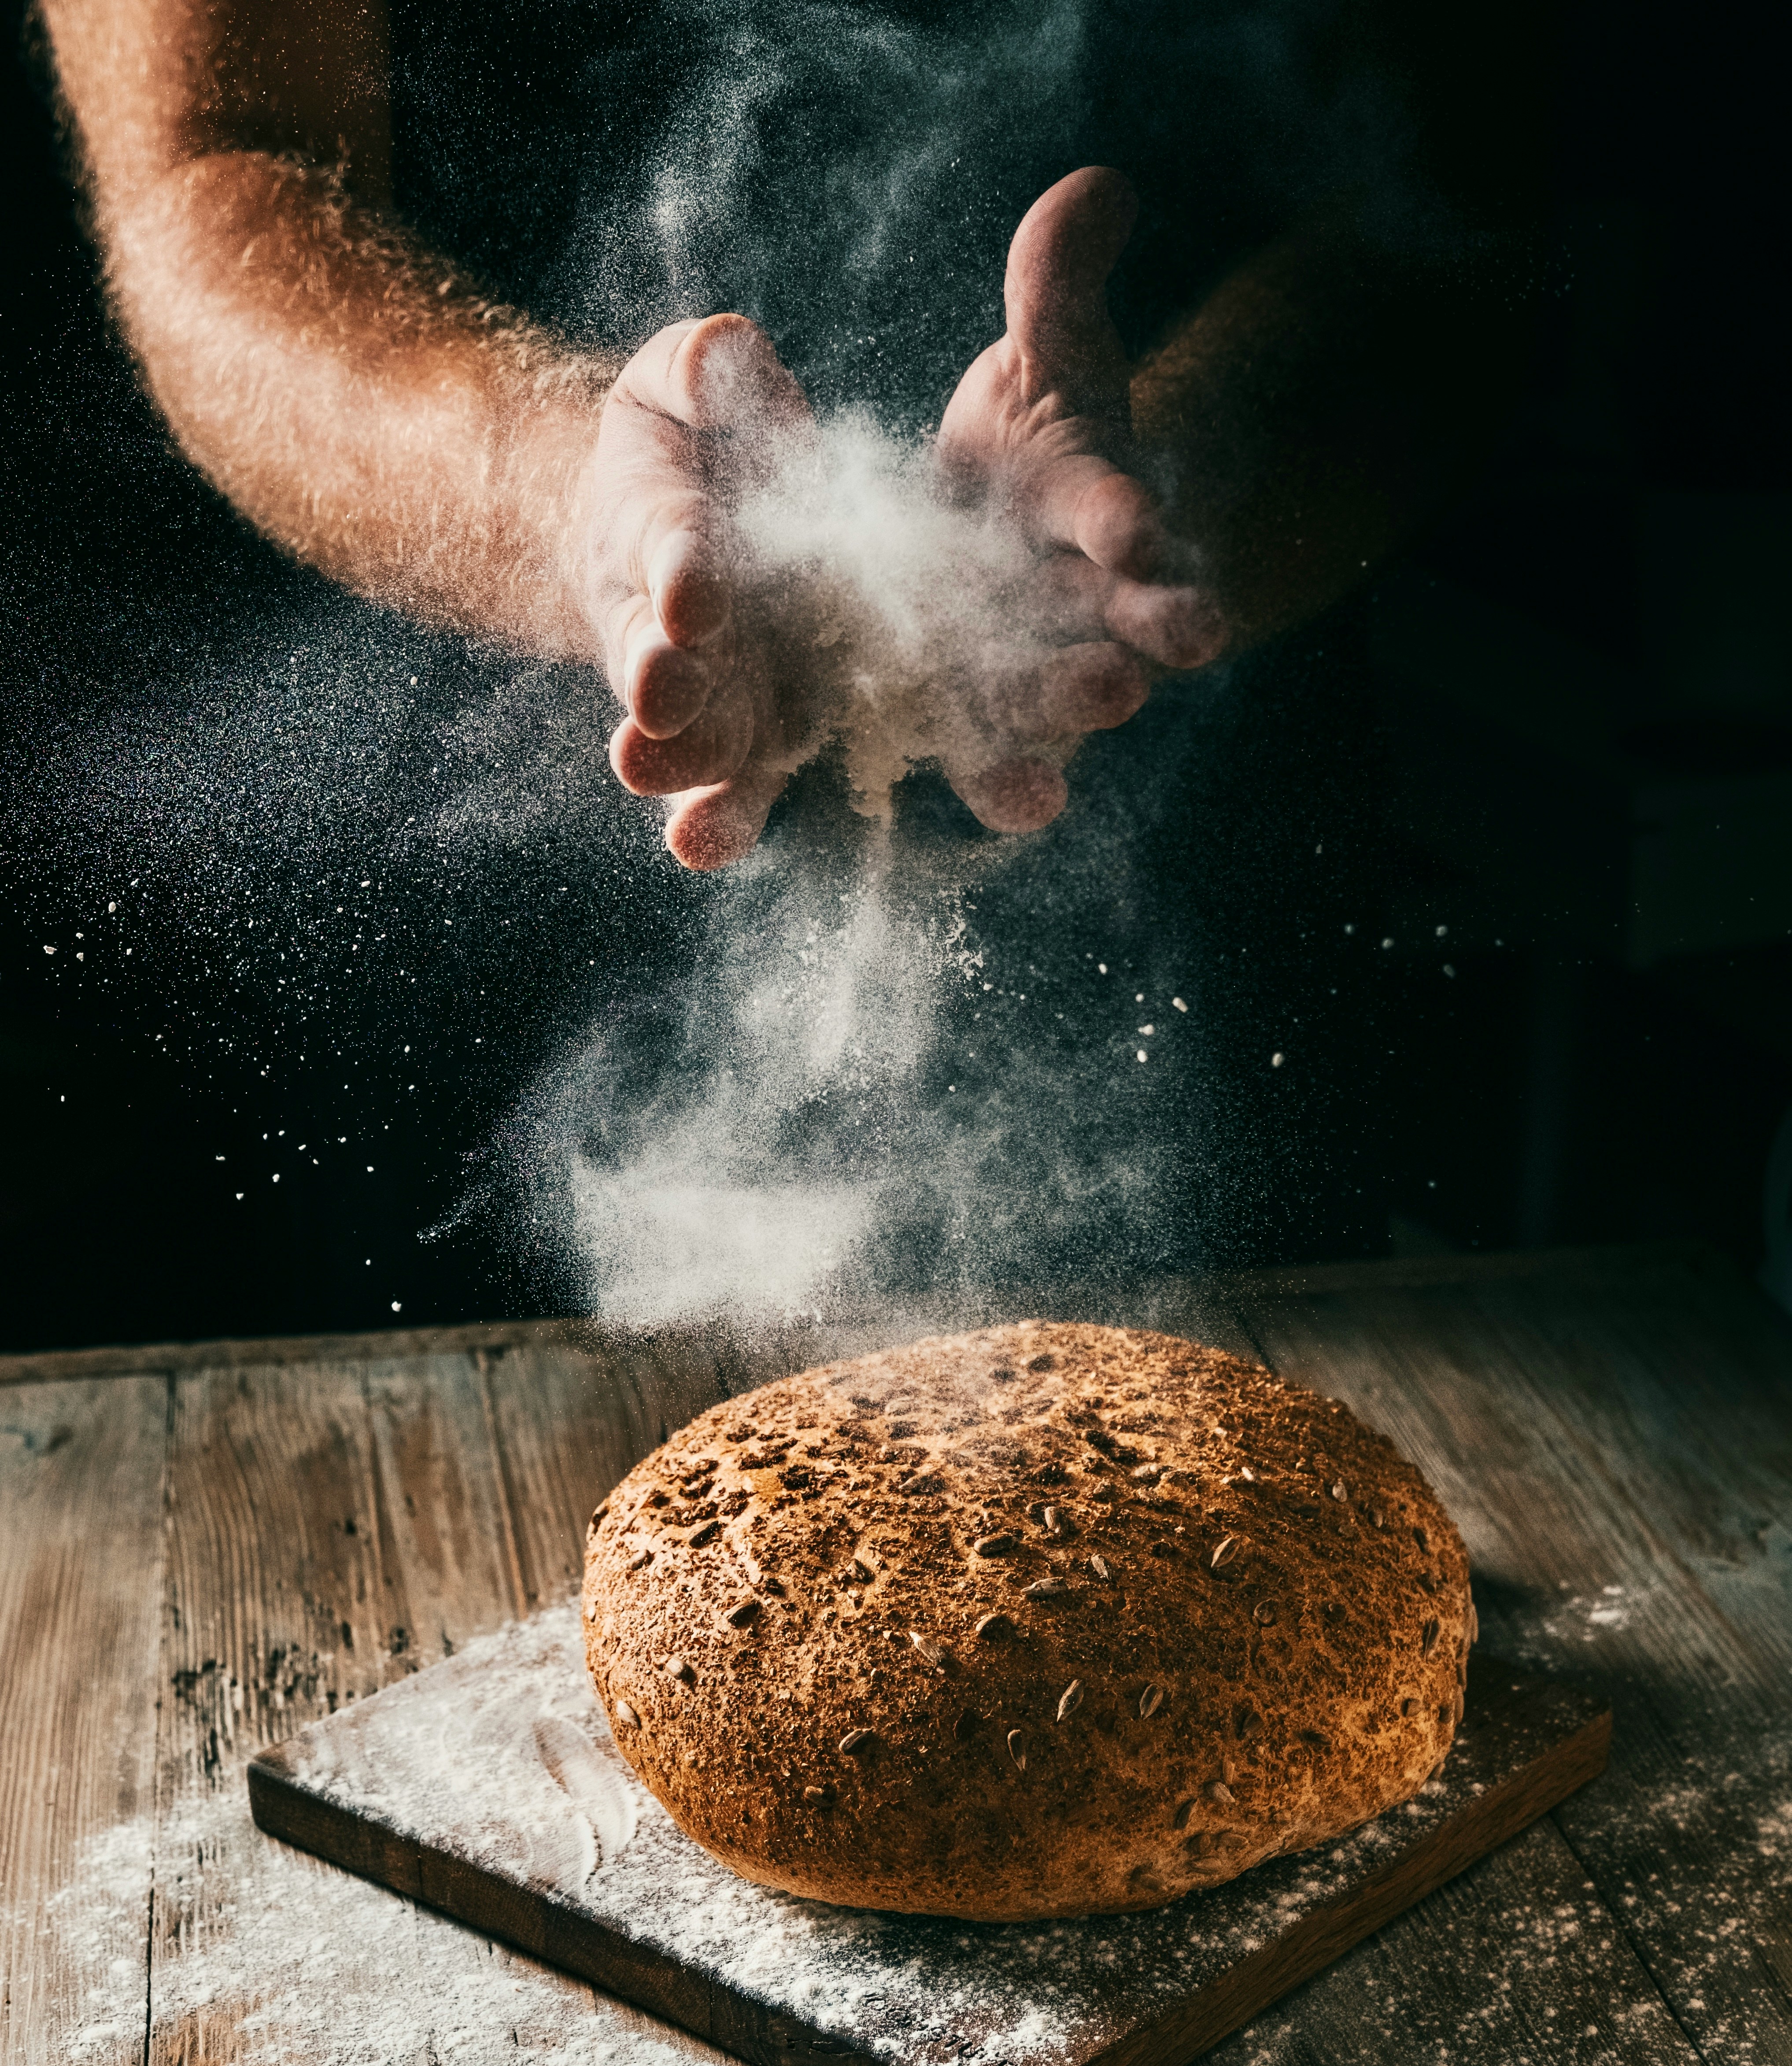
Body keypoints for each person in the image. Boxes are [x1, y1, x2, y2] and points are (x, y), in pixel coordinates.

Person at [38, 0, 1547, 1282]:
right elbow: (222, 173)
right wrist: (579, 506)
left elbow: (1479, 172)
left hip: (1188, 721)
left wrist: (1165, 501)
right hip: (492, 803)